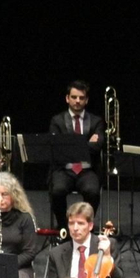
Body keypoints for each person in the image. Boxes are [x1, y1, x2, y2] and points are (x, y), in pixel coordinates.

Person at [47, 80, 106, 228]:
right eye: (74, 97)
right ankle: (63, 227)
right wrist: (86, 144)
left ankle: (85, 225)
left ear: (86, 100)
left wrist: (70, 145)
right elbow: (57, 148)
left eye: (81, 98)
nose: (77, 101)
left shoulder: (96, 121)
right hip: (64, 169)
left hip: (87, 169)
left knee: (92, 191)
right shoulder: (57, 120)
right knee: (57, 191)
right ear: (67, 98)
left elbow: (97, 146)